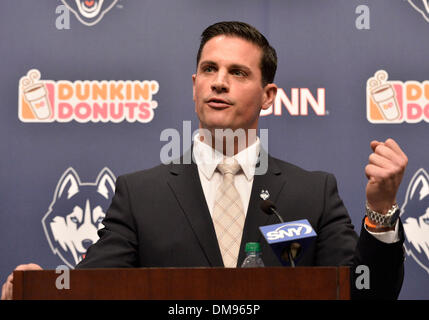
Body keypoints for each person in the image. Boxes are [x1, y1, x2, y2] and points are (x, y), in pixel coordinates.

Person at [1, 21, 408, 300]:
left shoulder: (313, 192)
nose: (218, 81)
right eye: (209, 69)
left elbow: (366, 291)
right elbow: (94, 286)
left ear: (268, 96)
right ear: (195, 85)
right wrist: (46, 285)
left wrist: (381, 210)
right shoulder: (140, 194)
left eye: (238, 72)